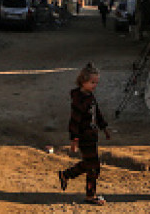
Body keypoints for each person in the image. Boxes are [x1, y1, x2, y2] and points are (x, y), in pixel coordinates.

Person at [59, 62, 111, 206]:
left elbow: (97, 114)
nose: (95, 85)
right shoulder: (79, 100)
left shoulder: (90, 97)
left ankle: (66, 175)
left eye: (96, 82)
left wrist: (104, 127)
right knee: (93, 166)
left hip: (92, 136)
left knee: (90, 164)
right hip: (84, 137)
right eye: (92, 82)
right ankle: (90, 195)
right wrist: (74, 139)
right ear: (83, 81)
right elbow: (74, 121)